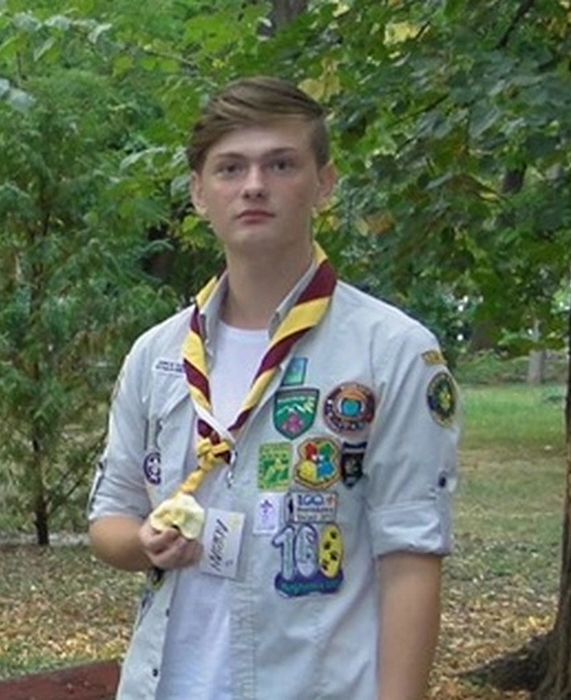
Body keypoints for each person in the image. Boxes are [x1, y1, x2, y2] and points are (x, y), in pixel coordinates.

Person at [87, 75, 459, 700]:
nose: (254, 185)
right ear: (199, 192)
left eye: (281, 164)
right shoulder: (157, 355)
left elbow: (411, 561)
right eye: (230, 168)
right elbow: (109, 521)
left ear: (324, 183)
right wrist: (144, 542)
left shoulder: (393, 353)